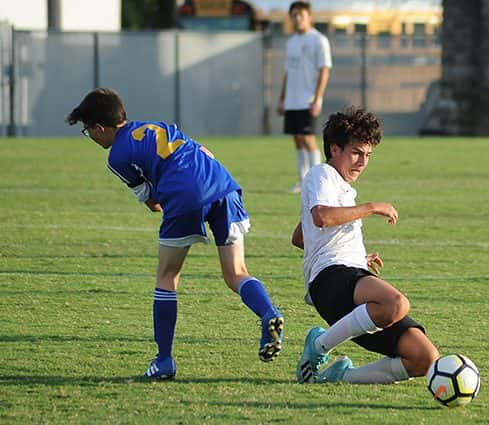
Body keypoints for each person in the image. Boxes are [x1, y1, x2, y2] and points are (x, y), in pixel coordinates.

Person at [66, 88, 284, 378]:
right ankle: (268, 312)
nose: (91, 138)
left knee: (167, 276)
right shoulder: (155, 126)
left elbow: (154, 205)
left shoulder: (117, 156)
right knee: (236, 272)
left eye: (88, 132)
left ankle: (164, 360)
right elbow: (205, 151)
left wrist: (162, 186)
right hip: (222, 183)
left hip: (185, 195)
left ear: (99, 128)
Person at [291, 107, 440, 384]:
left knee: (424, 358)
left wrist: (357, 255)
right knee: (395, 303)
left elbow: (300, 237)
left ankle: (338, 378)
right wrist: (372, 208)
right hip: (330, 280)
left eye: (368, 155)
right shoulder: (322, 174)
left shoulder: (344, 190)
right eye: (357, 152)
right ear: (334, 149)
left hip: (349, 276)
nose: (363, 162)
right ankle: (319, 345)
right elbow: (321, 217)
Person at [276, 1, 332, 193]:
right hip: (292, 99)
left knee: (308, 138)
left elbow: (324, 70)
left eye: (300, 14)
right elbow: (287, 73)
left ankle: (316, 182)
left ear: (309, 17)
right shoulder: (291, 42)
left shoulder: (318, 40)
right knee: (297, 139)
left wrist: (317, 98)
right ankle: (302, 181)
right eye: (293, 15)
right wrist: (282, 98)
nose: (297, 18)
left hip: (307, 99)